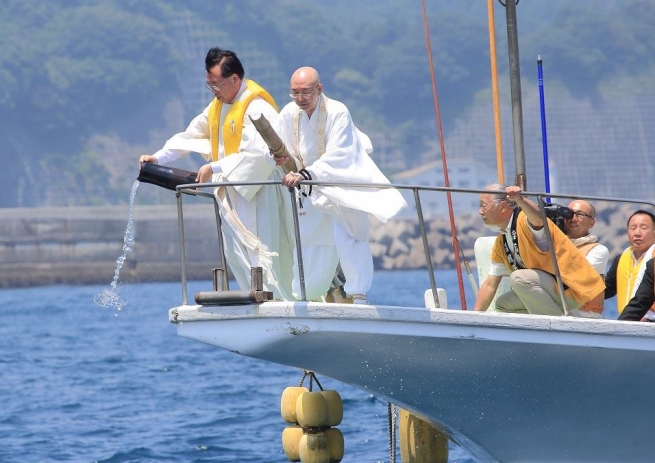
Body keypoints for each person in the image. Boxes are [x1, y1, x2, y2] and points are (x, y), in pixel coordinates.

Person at [138, 47, 294, 300]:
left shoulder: (257, 106)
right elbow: (191, 136)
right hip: (230, 194)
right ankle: (253, 300)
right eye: (209, 85)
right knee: (236, 252)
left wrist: (215, 167)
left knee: (262, 249)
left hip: (256, 192)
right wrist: (158, 157)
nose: (214, 91)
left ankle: (276, 300)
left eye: (216, 85)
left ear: (234, 79)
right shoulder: (217, 106)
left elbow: (259, 154)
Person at [274, 66, 406, 303]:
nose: (300, 99)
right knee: (310, 241)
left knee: (349, 237)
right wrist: (279, 159)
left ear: (319, 89)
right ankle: (307, 294)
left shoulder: (338, 111)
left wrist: (307, 173)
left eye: (305, 92)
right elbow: (277, 148)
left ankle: (358, 294)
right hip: (310, 187)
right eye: (294, 93)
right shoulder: (288, 113)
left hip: (341, 184)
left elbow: (341, 154)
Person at [473, 184, 605, 316]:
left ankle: (559, 327)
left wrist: (520, 199)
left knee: (519, 278)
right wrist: (474, 317)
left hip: (569, 288)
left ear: (502, 206)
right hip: (550, 289)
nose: (480, 211)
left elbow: (538, 219)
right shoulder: (500, 242)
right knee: (503, 304)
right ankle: (561, 319)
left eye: (483, 205)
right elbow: (490, 285)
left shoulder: (524, 219)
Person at [604, 210, 655, 315]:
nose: (637, 233)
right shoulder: (621, 259)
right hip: (627, 322)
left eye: (643, 228)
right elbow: (606, 289)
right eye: (633, 228)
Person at [564, 199, 609, 318]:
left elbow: (576, 275)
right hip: (556, 309)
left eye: (580, 214)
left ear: (592, 223)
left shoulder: (598, 250)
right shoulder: (555, 245)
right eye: (569, 213)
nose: (573, 219)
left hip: (584, 315)